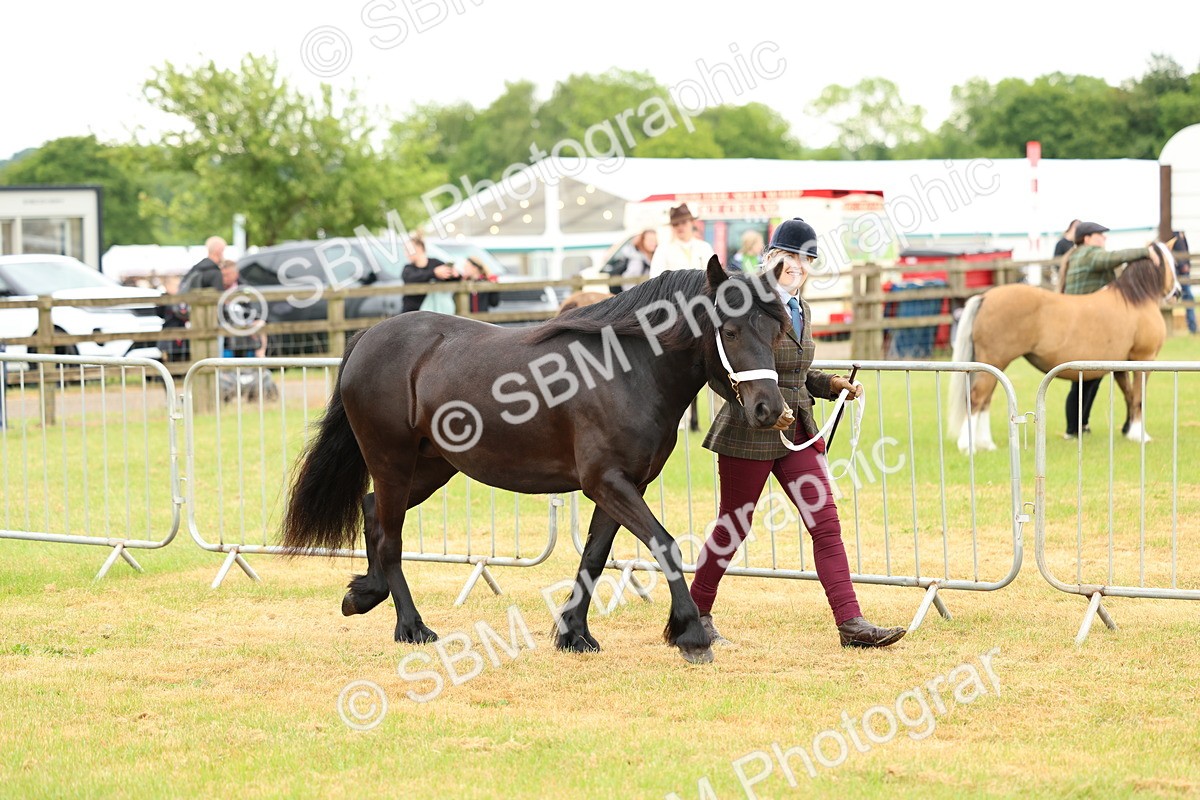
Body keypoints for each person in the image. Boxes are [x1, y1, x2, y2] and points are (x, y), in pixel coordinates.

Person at [689, 218, 907, 649]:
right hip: (748, 432)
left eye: (807, 258)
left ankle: (851, 623)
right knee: (734, 526)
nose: (800, 266)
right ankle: (694, 613)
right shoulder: (746, 302)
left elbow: (796, 373)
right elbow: (723, 371)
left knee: (825, 523)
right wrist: (763, 410)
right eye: (792, 257)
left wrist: (829, 385)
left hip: (798, 435)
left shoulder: (800, 308)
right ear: (772, 257)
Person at [1057, 221, 1161, 438]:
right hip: (1088, 322)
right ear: (1086, 239)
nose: (1104, 239)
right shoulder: (1089, 254)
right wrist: (1145, 252)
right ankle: (1072, 428)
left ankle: (1080, 424)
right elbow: (1113, 257)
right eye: (1099, 235)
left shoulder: (1076, 255)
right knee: (1084, 380)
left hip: (1086, 321)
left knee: (1091, 379)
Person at [218, 258, 267, 358]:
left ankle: (261, 358)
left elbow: (250, 309)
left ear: (236, 274)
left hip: (243, 320)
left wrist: (248, 323)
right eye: (223, 275)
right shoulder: (217, 288)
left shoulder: (244, 288)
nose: (225, 278)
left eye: (228, 274)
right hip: (225, 323)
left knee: (260, 324)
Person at [649, 204, 715, 277]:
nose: (680, 227)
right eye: (675, 224)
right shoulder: (663, 249)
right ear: (672, 227)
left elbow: (713, 275)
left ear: (692, 222)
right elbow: (655, 278)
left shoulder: (704, 247)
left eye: (684, 222)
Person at [400, 237, 456, 314]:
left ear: (419, 248)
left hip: (434, 313)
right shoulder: (408, 269)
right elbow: (410, 279)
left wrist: (454, 274)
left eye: (408, 249)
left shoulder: (436, 263)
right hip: (412, 314)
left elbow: (452, 278)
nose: (406, 253)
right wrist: (434, 273)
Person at [608, 229, 657, 294]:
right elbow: (628, 283)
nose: (653, 243)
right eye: (650, 240)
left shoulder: (647, 257)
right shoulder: (637, 260)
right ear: (642, 241)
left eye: (655, 240)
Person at [1171, 231, 1196, 335]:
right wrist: (1182, 266)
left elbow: (1185, 252)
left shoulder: (1181, 234)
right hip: (1178, 273)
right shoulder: (1173, 234)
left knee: (1188, 298)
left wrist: (1187, 265)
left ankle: (1193, 327)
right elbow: (1175, 253)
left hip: (1183, 273)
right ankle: (1192, 327)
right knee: (1187, 298)